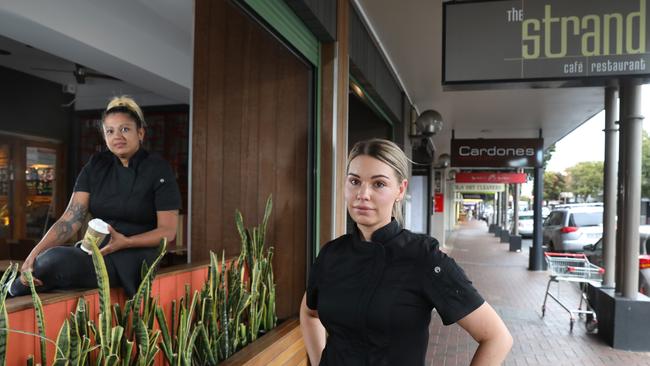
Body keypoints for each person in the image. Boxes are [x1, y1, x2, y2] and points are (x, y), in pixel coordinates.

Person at [300, 139, 512, 365]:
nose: (363, 194)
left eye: (378, 184)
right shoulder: (331, 254)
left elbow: (497, 338)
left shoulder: (423, 256)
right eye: (354, 181)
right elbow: (309, 313)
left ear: (400, 190)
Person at [9, 96, 181, 298]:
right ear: (104, 136)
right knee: (44, 262)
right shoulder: (96, 166)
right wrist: (33, 255)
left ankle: (8, 294)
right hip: (95, 251)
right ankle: (9, 296)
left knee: (53, 261)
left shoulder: (158, 169)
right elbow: (70, 220)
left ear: (140, 132)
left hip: (135, 257)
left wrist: (126, 242)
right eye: (110, 131)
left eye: (125, 129)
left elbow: (168, 232)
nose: (117, 136)